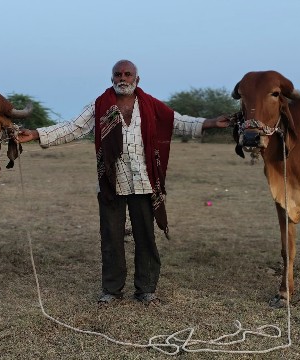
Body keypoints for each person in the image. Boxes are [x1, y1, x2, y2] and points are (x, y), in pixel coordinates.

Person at [18, 60, 230, 306]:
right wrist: (35, 134)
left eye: (128, 74)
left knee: (146, 237)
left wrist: (211, 122)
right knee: (111, 238)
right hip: (111, 183)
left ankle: (146, 289)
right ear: (111, 79)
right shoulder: (100, 105)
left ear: (137, 79)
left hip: (144, 183)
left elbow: (177, 121)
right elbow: (73, 128)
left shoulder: (150, 105)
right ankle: (111, 290)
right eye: (118, 74)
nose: (123, 78)